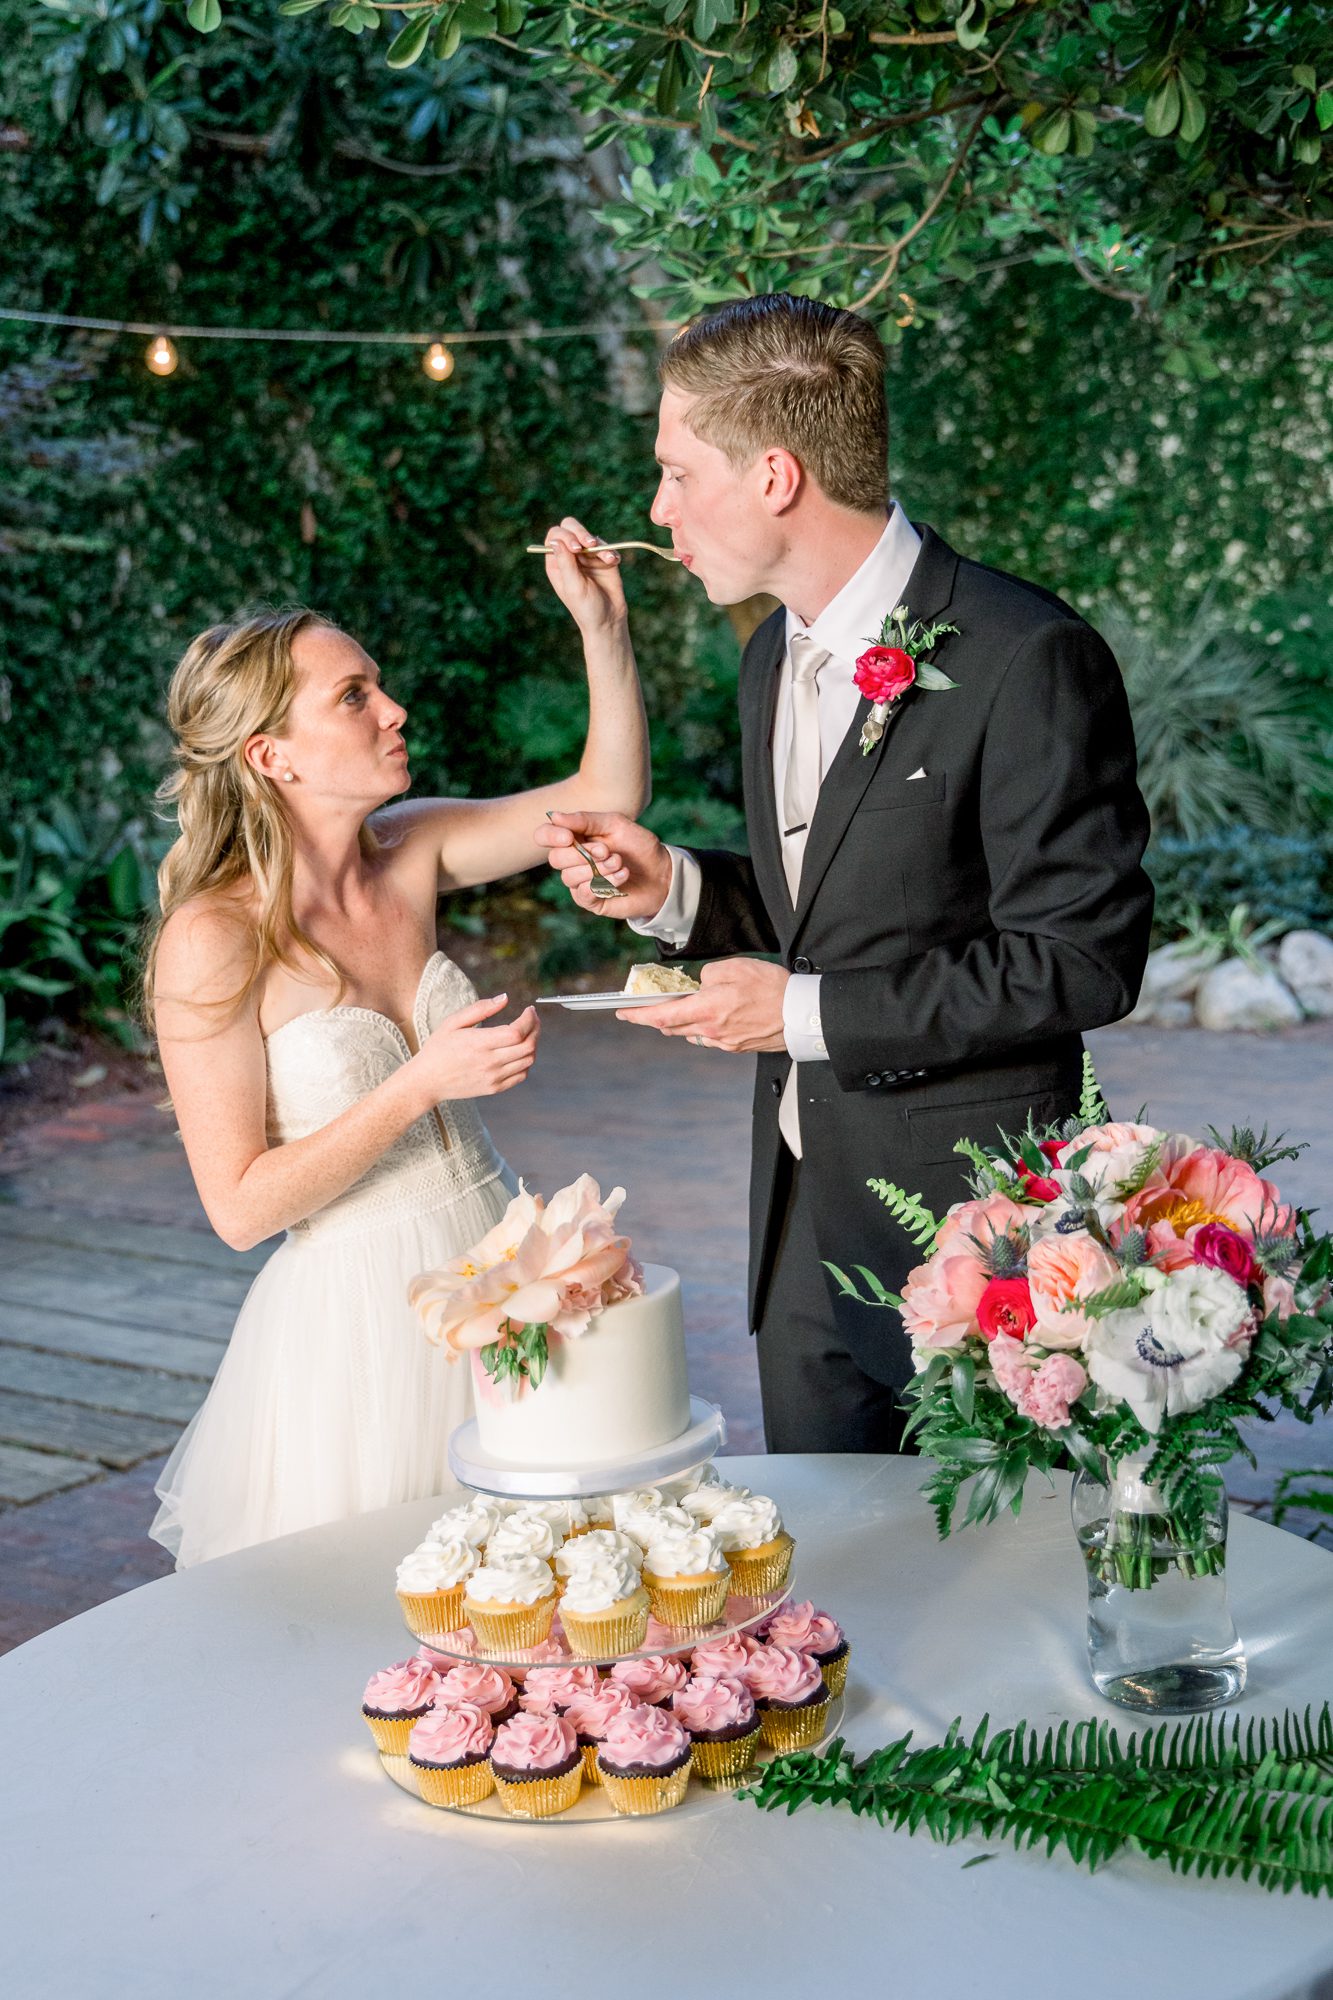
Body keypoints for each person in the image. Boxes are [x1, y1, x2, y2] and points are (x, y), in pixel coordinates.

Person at [538, 294, 1152, 1456]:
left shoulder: (1027, 654)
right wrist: (670, 885)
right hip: (800, 1219)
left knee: (985, 1588)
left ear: (774, 475)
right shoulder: (773, 648)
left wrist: (799, 1012)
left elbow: (1080, 960)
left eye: (674, 473)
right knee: (838, 1581)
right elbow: (831, 905)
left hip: (977, 1243)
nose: (656, 509)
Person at [148, 519, 646, 1565]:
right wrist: (418, 1083)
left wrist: (602, 627)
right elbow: (239, 1207)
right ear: (268, 754)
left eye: (376, 684)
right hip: (359, 1326)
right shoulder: (212, 937)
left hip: (500, 1264)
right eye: (353, 696)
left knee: (542, 1587)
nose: (394, 708)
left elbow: (603, 801)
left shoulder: (409, 847)